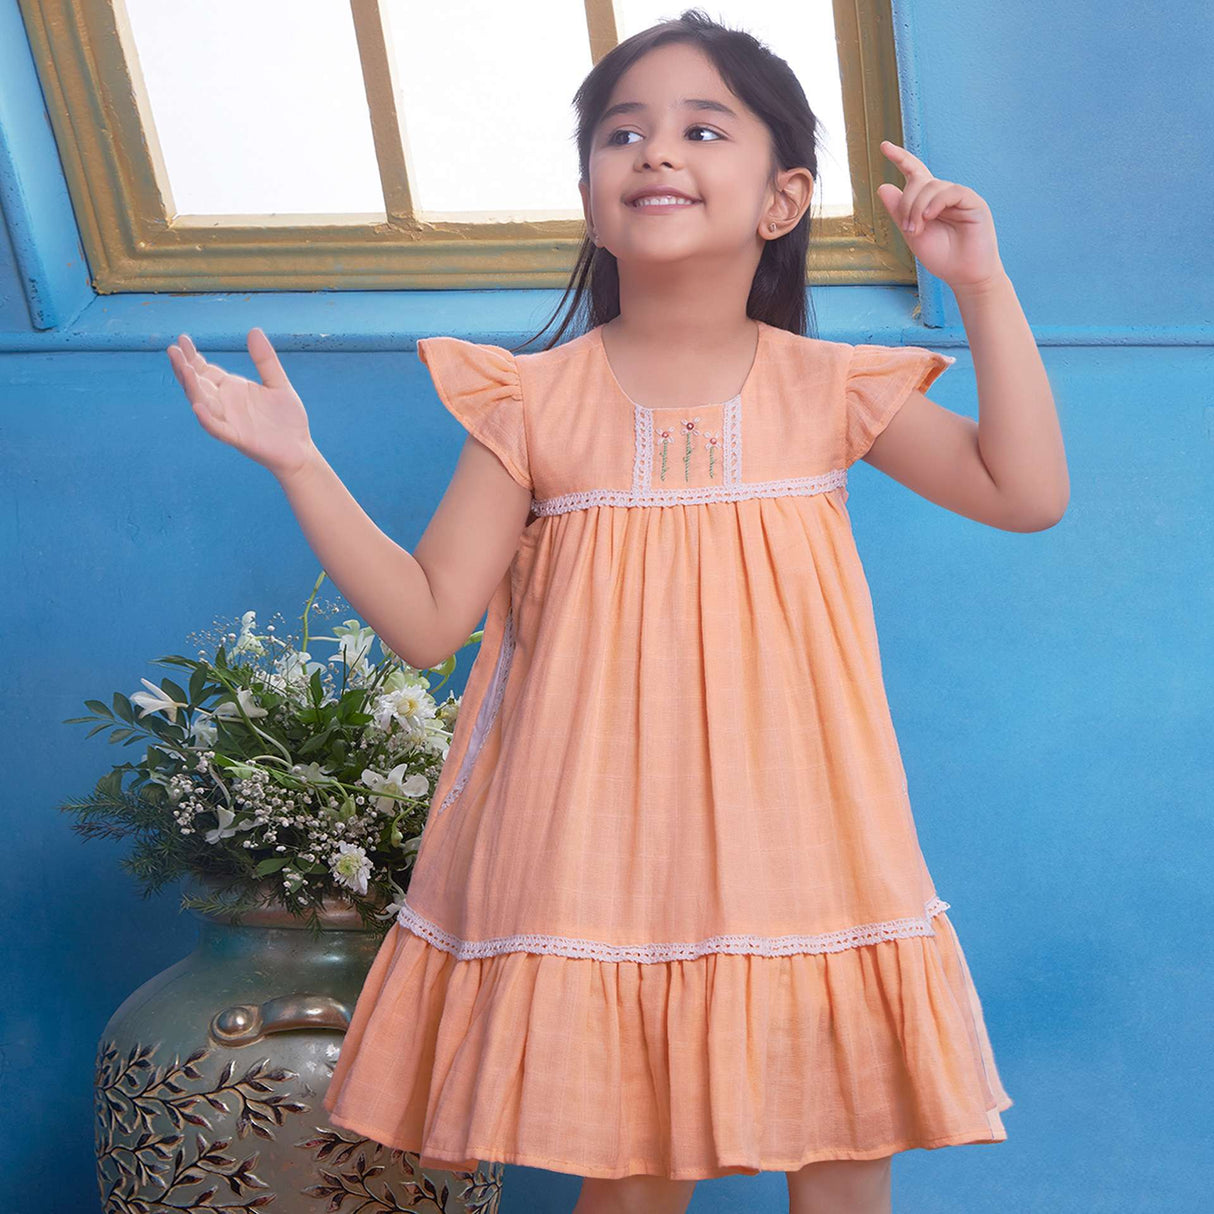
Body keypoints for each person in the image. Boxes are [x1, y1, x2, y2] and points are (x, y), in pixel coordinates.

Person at [166, 10, 1067, 1213]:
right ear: (590, 193)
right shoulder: (530, 401)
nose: (655, 152)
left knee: (843, 1157)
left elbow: (1024, 492)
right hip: (604, 856)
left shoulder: (827, 389)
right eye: (622, 133)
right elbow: (429, 619)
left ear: (783, 197)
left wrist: (980, 284)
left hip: (809, 838)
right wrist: (299, 462)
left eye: (702, 129)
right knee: (632, 1172)